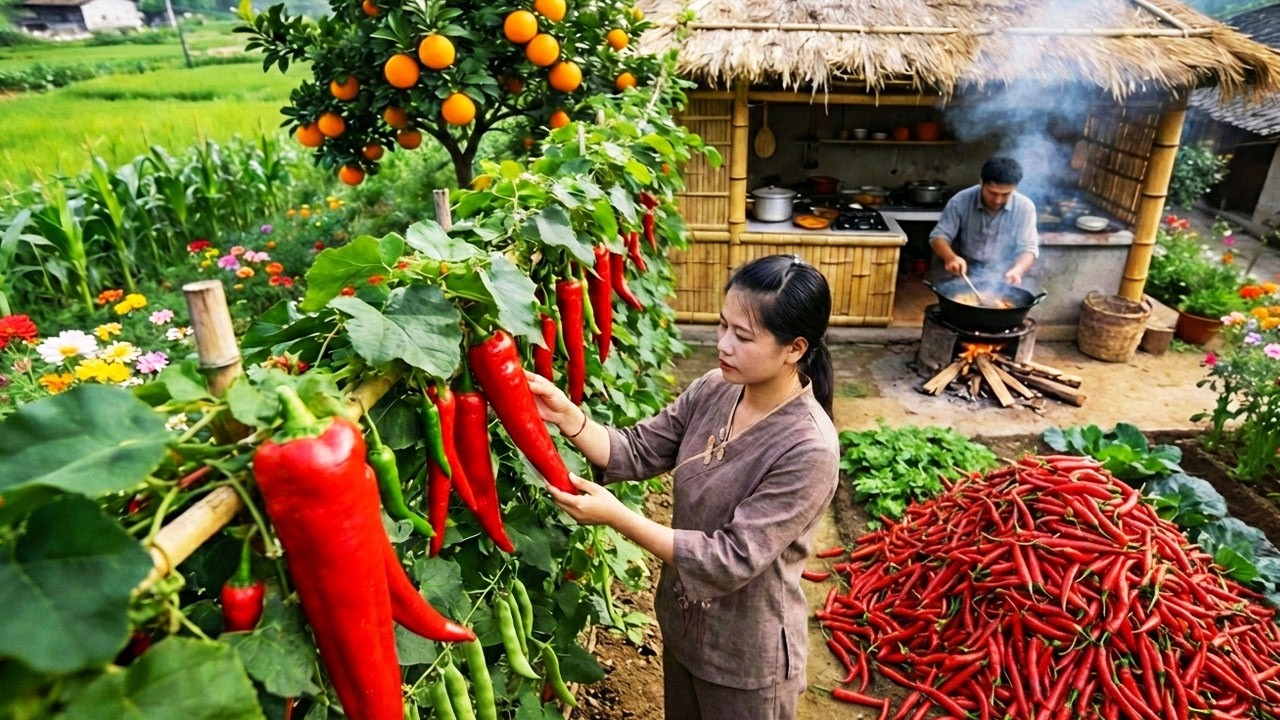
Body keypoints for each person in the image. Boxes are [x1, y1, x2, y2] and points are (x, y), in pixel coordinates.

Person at [526, 254, 839, 720]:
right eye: (722, 326)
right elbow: (635, 449)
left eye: (743, 336)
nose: (723, 345)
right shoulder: (715, 389)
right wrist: (569, 417)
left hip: (745, 657)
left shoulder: (808, 447)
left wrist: (619, 518)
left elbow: (729, 558)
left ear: (794, 348)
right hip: (685, 628)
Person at [928, 156, 1039, 285]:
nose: (998, 200)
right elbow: (938, 237)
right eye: (992, 193)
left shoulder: (1025, 207)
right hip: (963, 270)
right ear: (981, 182)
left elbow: (1028, 248)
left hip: (1004, 272)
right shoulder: (959, 201)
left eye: (1005, 194)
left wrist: (1017, 270)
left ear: (1016, 187)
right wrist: (951, 258)